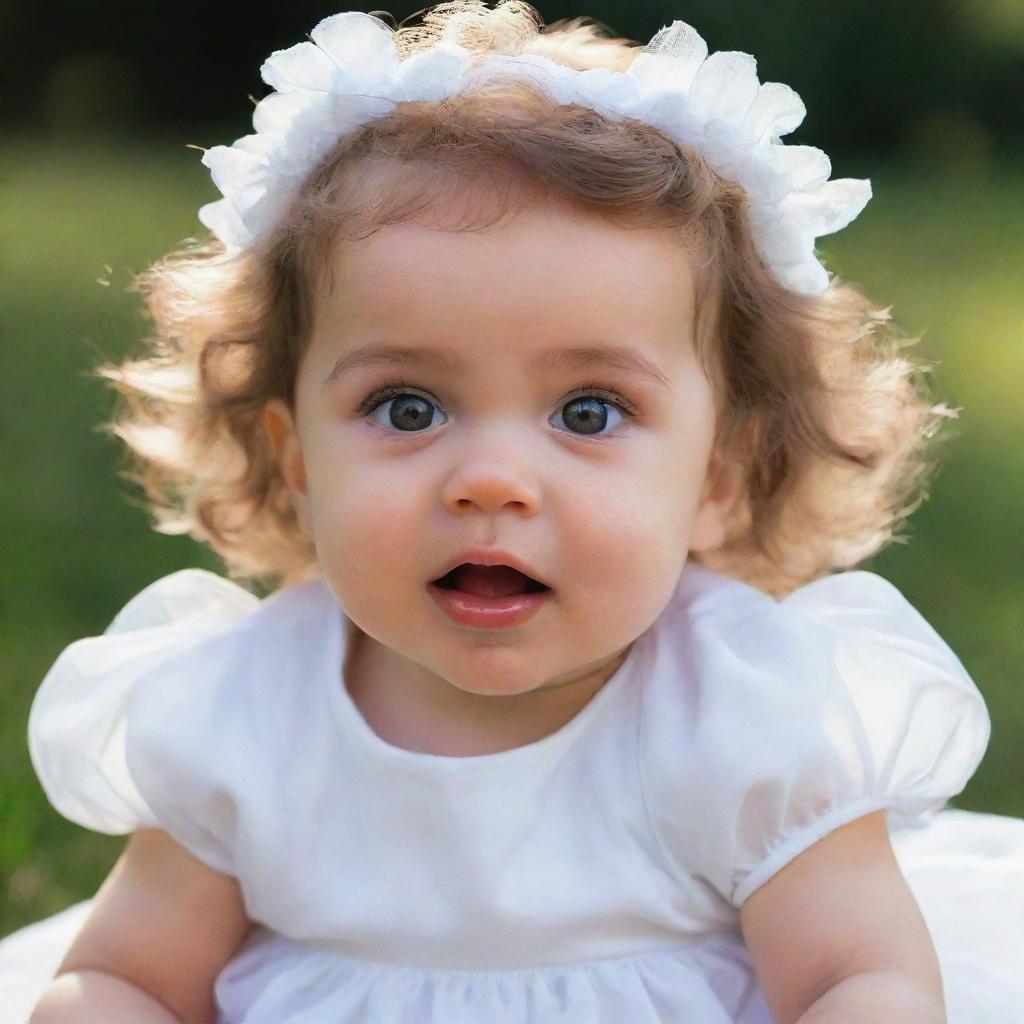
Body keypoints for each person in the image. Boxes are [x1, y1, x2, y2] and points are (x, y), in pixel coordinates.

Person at [3, 3, 1022, 1022]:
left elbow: (859, 978)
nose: (490, 479)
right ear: (297, 461)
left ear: (717, 477)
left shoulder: (743, 713)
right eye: (406, 406)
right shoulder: (243, 714)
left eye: (589, 411)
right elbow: (127, 976)